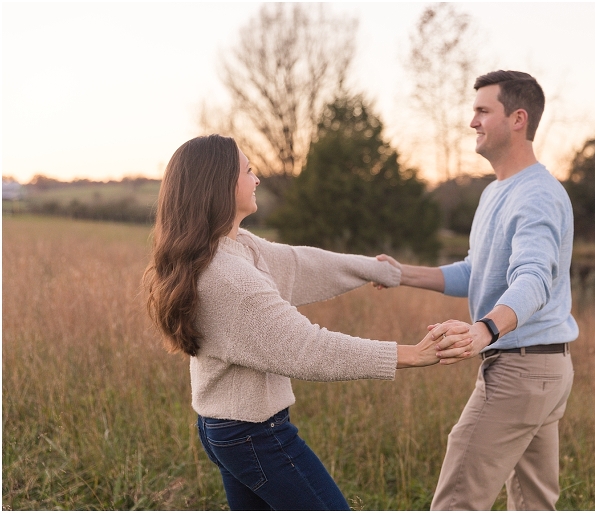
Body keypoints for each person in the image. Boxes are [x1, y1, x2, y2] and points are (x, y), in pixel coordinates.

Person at [142, 134, 471, 511]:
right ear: (219, 185)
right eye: (248, 171)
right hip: (254, 436)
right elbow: (307, 348)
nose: (257, 179)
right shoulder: (230, 278)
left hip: (230, 429)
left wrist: (377, 270)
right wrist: (412, 354)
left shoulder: (234, 248)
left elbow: (301, 264)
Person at [377, 70, 578, 510]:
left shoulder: (537, 195)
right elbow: (476, 272)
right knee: (534, 504)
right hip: (542, 371)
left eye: (483, 111)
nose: (472, 122)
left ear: (518, 119)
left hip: (521, 372)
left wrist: (485, 329)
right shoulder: (495, 193)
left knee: (456, 502)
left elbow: (534, 280)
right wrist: (402, 274)